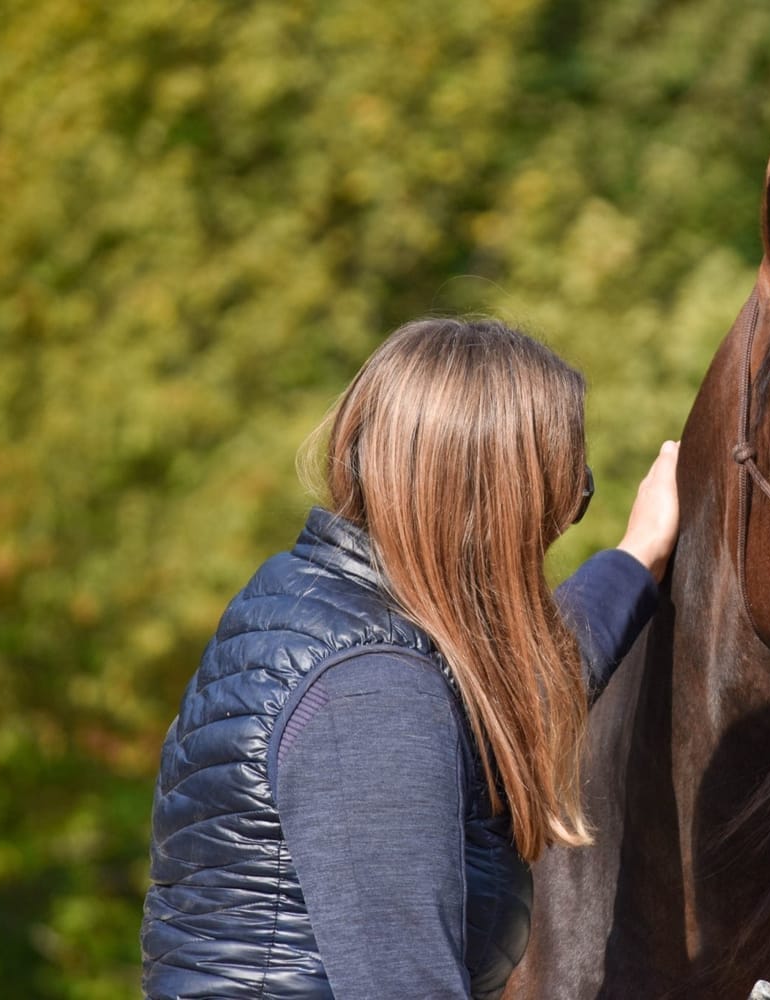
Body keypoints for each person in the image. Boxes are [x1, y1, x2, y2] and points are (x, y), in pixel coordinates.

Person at [140, 317, 680, 999]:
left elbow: (512, 701)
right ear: (503, 505)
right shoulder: (373, 696)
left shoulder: (324, 609)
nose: (565, 521)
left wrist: (640, 555)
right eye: (571, 495)